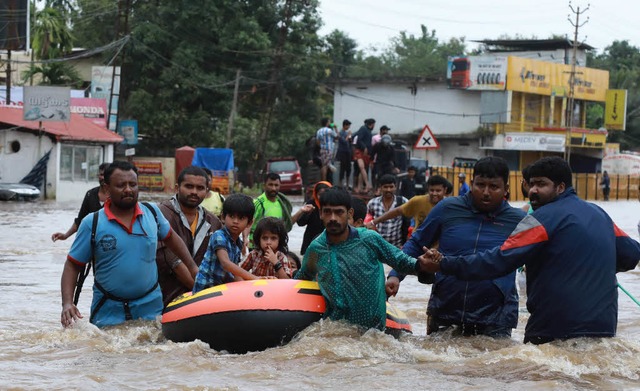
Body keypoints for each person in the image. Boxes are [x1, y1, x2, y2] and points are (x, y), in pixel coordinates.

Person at [421, 156, 640, 344]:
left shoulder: (540, 219)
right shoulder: (600, 214)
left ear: (560, 187)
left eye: (541, 185)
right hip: (603, 327)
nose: (533, 191)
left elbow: (499, 261)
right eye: (531, 184)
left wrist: (445, 264)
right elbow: (631, 255)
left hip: (553, 328)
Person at [386, 157, 526, 337]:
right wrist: (396, 275)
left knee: (493, 363)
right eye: (480, 185)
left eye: (494, 187)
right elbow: (417, 242)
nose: (485, 192)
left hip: (496, 316)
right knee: (436, 362)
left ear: (506, 189)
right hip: (446, 307)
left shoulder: (518, 220)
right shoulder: (448, 208)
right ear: (471, 183)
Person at [60, 161, 197, 328]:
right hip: (108, 310)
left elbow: (172, 239)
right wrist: (67, 303)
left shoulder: (152, 213)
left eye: (133, 184)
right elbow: (73, 265)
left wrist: (193, 268)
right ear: (107, 188)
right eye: (121, 185)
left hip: (150, 309)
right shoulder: (92, 223)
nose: (128, 189)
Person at [294, 187, 435, 330]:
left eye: (339, 212)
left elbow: (400, 260)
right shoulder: (316, 248)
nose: (333, 218)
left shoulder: (369, 240)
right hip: (335, 334)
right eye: (327, 212)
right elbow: (303, 277)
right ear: (320, 214)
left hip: (373, 333)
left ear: (350, 213)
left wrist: (421, 265)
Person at [156, 166, 222, 307]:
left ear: (207, 190)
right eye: (189, 186)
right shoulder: (161, 214)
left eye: (200, 188)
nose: (194, 192)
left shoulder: (213, 222)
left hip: (201, 298)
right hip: (167, 297)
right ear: (177, 187)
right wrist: (204, 296)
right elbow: (173, 262)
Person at [193, 194, 259, 293]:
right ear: (223, 217)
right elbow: (226, 264)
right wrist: (254, 278)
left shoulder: (238, 244)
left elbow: (235, 273)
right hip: (205, 289)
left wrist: (250, 287)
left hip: (219, 289)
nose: (235, 221)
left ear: (249, 223)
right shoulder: (219, 236)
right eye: (232, 216)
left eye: (241, 218)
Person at [244, 173, 312, 252]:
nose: (273, 188)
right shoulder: (259, 203)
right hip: (258, 247)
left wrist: (301, 211)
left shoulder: (281, 203)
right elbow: (248, 223)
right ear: (264, 185)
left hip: (276, 247)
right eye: (270, 185)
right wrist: (245, 239)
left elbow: (287, 225)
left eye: (276, 185)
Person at [52, 162, 110, 242]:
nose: (103, 178)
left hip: (109, 240)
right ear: (98, 176)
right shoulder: (90, 194)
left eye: (106, 175)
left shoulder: (116, 196)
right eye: (101, 175)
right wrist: (65, 235)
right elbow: (80, 220)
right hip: (91, 240)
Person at [364, 174, 408, 248]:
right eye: (385, 187)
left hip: (396, 247)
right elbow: (366, 222)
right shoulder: (372, 203)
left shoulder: (403, 201)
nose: (388, 190)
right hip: (377, 246)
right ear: (380, 188)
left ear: (395, 187)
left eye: (391, 187)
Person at [297, 181, 332, 255]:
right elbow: (300, 223)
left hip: (328, 243)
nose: (322, 197)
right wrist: (306, 213)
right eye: (320, 194)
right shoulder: (311, 204)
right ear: (316, 194)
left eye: (324, 194)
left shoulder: (333, 207)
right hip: (310, 241)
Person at [352, 118, 375, 194]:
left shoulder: (368, 131)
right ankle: (367, 184)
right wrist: (364, 147)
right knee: (361, 167)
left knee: (362, 169)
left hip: (365, 152)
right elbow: (359, 139)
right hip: (360, 150)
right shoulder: (363, 128)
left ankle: (360, 187)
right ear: (371, 124)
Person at [316, 117, 337, 182]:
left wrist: (322, 146)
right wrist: (335, 128)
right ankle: (324, 182)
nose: (330, 123)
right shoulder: (329, 130)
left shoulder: (319, 131)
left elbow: (317, 142)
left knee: (324, 164)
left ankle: (323, 181)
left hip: (322, 149)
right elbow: (337, 136)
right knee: (325, 166)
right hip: (329, 150)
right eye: (329, 122)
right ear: (327, 123)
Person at [335, 119, 353, 188]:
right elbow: (344, 141)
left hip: (348, 152)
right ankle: (340, 184)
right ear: (345, 125)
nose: (349, 127)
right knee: (342, 168)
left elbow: (349, 142)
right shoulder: (341, 133)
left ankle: (348, 184)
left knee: (348, 168)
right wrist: (348, 136)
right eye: (348, 125)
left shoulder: (346, 132)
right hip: (342, 152)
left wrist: (350, 138)